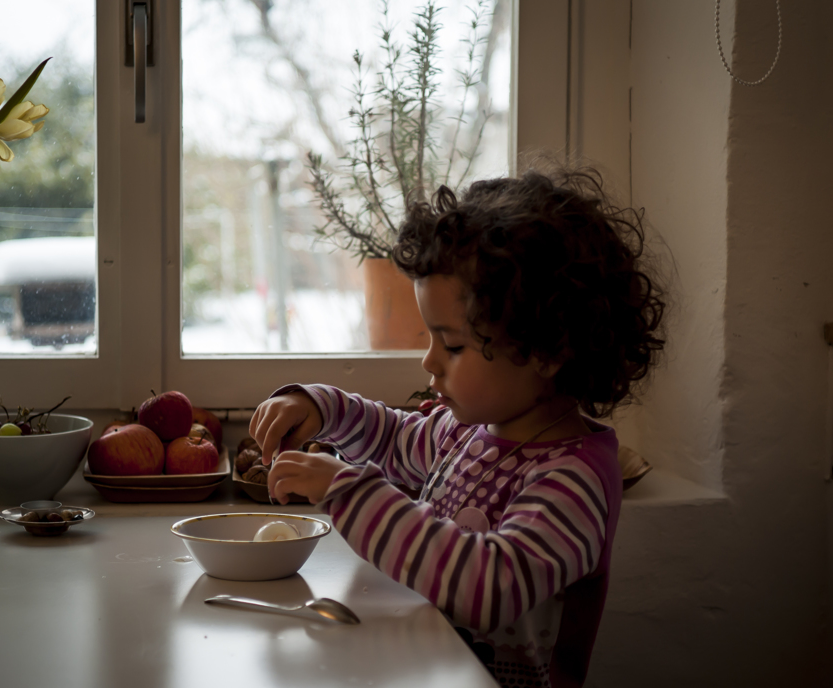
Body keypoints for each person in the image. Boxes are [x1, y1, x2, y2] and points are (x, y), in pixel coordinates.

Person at [250, 164, 666, 688]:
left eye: (453, 345)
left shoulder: (574, 479)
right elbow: (395, 440)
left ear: (548, 349)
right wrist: (323, 408)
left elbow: (488, 585)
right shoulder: (469, 430)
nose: (430, 362)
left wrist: (349, 492)